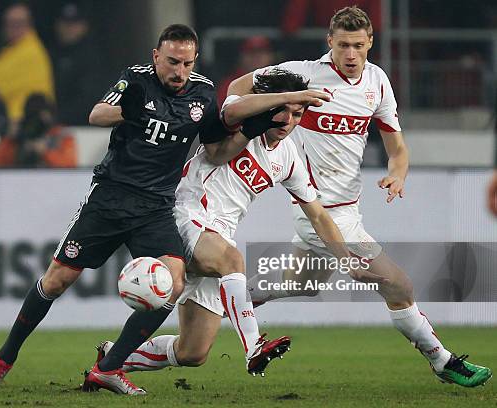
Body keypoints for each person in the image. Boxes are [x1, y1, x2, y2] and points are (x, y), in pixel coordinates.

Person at [0, 24, 326, 396]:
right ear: (157, 56)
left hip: (157, 206)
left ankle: (109, 368)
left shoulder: (202, 93)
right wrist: (131, 113)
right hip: (111, 197)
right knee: (57, 280)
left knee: (173, 285)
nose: (180, 71)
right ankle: (4, 359)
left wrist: (246, 133)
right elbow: (97, 115)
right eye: (173, 61)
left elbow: (217, 151)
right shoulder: (137, 80)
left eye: (187, 63)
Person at [229, 6, 492, 388]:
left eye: (358, 46)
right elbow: (237, 89)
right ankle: (443, 361)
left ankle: (228, 298)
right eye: (343, 46)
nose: (351, 55)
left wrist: (396, 174)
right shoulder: (303, 74)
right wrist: (274, 110)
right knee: (398, 286)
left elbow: (397, 149)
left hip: (348, 208)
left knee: (302, 283)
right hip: (319, 211)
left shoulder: (377, 81)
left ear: (370, 43)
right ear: (329, 43)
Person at [92, 69, 382, 378]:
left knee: (192, 352)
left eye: (297, 113)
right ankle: (254, 347)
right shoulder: (239, 123)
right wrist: (286, 97)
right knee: (233, 261)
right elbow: (231, 107)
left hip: (218, 237)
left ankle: (111, 361)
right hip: (185, 215)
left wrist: (345, 257)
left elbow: (319, 214)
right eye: (281, 110)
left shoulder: (290, 158)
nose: (287, 120)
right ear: (266, 104)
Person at [0, 2, 55, 123]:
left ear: (29, 25)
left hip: (25, 122)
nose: (14, 28)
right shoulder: (10, 51)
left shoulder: (31, 52)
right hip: (9, 120)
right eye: (9, 23)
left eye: (19, 23)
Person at [50, 3, 110, 125]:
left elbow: (89, 98)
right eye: (65, 23)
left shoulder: (92, 57)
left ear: (84, 26)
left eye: (74, 24)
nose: (69, 28)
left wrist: (57, 118)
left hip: (85, 128)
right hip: (59, 126)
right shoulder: (51, 54)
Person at [0, 93, 77, 168]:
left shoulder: (60, 134)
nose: (37, 123)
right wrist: (11, 140)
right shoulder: (21, 135)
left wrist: (45, 152)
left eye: (42, 117)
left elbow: (69, 165)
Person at [216, 36, 275, 106]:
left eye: (261, 52)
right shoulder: (230, 84)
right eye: (251, 53)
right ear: (241, 57)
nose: (256, 57)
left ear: (271, 56)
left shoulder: (280, 81)